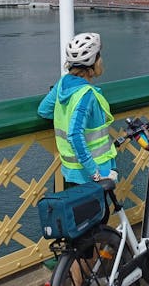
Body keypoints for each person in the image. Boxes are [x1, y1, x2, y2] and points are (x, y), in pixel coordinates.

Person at [38, 32, 117, 185]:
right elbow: (74, 135)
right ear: (94, 63)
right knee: (99, 209)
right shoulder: (86, 94)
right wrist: (95, 172)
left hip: (71, 168)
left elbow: (44, 110)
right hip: (93, 171)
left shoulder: (63, 83)